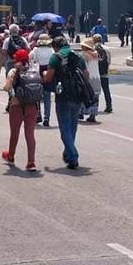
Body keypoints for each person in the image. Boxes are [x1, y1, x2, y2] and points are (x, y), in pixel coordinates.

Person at [44, 36, 87, 169]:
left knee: (64, 128)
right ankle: (68, 153)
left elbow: (48, 78)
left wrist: (44, 73)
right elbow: (86, 75)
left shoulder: (56, 57)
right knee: (72, 127)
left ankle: (73, 155)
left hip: (63, 95)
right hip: (77, 95)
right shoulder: (78, 56)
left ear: (56, 46)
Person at [0, 48, 41, 171]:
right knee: (30, 134)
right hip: (32, 106)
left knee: (15, 133)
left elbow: (7, 87)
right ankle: (31, 162)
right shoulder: (34, 70)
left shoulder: (13, 71)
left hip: (16, 106)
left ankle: (11, 156)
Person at [31, 35, 55, 127]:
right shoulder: (51, 51)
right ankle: (47, 118)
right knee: (47, 96)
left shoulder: (36, 50)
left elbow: (32, 59)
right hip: (48, 72)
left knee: (37, 96)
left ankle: (38, 115)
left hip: (38, 72)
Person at [79, 39, 103, 123]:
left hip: (88, 78)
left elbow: (82, 67)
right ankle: (92, 115)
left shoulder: (83, 55)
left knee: (83, 95)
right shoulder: (96, 55)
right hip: (96, 78)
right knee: (95, 97)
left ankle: (81, 113)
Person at [94, 34, 113, 114]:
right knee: (106, 90)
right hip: (105, 72)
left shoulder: (93, 49)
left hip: (96, 73)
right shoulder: (107, 49)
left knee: (95, 91)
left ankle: (94, 108)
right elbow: (109, 61)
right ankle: (109, 106)